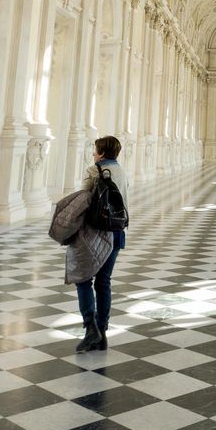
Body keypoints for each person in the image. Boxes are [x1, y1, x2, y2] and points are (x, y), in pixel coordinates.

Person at [76, 135, 127, 352]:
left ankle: (91, 328)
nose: (93, 153)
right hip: (117, 232)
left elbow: (83, 201)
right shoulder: (121, 171)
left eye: (95, 150)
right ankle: (102, 331)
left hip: (97, 233)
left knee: (83, 278)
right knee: (104, 281)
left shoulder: (94, 171)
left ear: (102, 153)